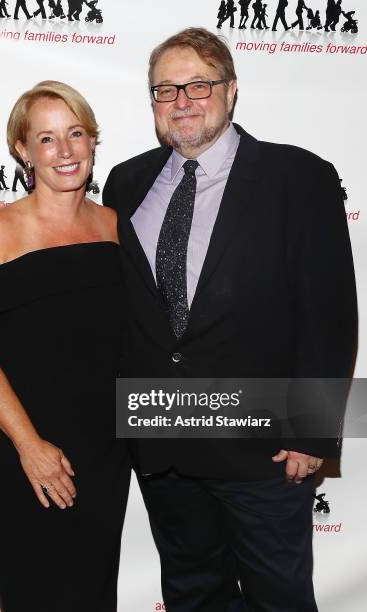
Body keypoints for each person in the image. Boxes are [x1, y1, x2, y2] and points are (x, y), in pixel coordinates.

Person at [102, 27, 357, 611]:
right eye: (165, 89)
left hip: (263, 446)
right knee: (192, 594)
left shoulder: (300, 177)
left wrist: (311, 432)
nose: (182, 101)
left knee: (278, 598)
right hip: (161, 440)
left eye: (198, 84)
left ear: (231, 90)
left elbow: (330, 312)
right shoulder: (127, 181)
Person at [0, 80, 130, 611]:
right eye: (47, 139)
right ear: (22, 150)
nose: (66, 151)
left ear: (94, 140)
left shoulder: (115, 228)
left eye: (76, 133)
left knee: (94, 591)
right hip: (27, 451)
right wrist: (30, 448)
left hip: (105, 451)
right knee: (37, 593)